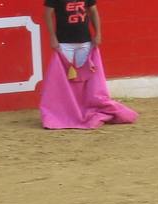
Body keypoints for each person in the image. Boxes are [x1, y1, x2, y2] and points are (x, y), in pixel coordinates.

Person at [39, 0, 136, 130]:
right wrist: (52, 37)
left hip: (85, 41)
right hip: (64, 43)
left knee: (84, 79)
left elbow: (93, 11)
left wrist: (98, 33)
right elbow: (47, 14)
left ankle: (82, 110)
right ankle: (69, 112)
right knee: (64, 80)